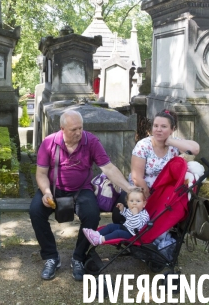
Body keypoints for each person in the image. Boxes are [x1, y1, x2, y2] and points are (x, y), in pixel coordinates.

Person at [29, 109, 134, 281]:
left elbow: (108, 168)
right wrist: (46, 192)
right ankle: (51, 257)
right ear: (62, 128)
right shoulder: (49, 143)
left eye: (80, 128)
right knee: (35, 211)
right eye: (73, 129)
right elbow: (41, 174)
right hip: (53, 189)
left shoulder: (91, 141)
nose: (79, 132)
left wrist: (128, 189)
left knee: (92, 215)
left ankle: (78, 258)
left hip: (82, 189)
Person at [113, 109, 200, 224]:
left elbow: (195, 149)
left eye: (164, 126)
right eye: (156, 126)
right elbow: (137, 178)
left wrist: (172, 142)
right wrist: (150, 199)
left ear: (172, 129)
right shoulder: (143, 145)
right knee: (122, 215)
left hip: (165, 192)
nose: (158, 129)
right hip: (142, 191)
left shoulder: (175, 144)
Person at [82, 188, 149, 246]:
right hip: (125, 227)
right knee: (111, 226)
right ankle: (96, 234)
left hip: (132, 235)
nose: (134, 203)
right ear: (127, 203)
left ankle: (100, 239)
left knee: (118, 233)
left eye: (138, 201)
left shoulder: (144, 215)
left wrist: (135, 215)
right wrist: (122, 209)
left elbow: (137, 226)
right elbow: (127, 215)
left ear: (144, 204)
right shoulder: (131, 210)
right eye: (131, 201)